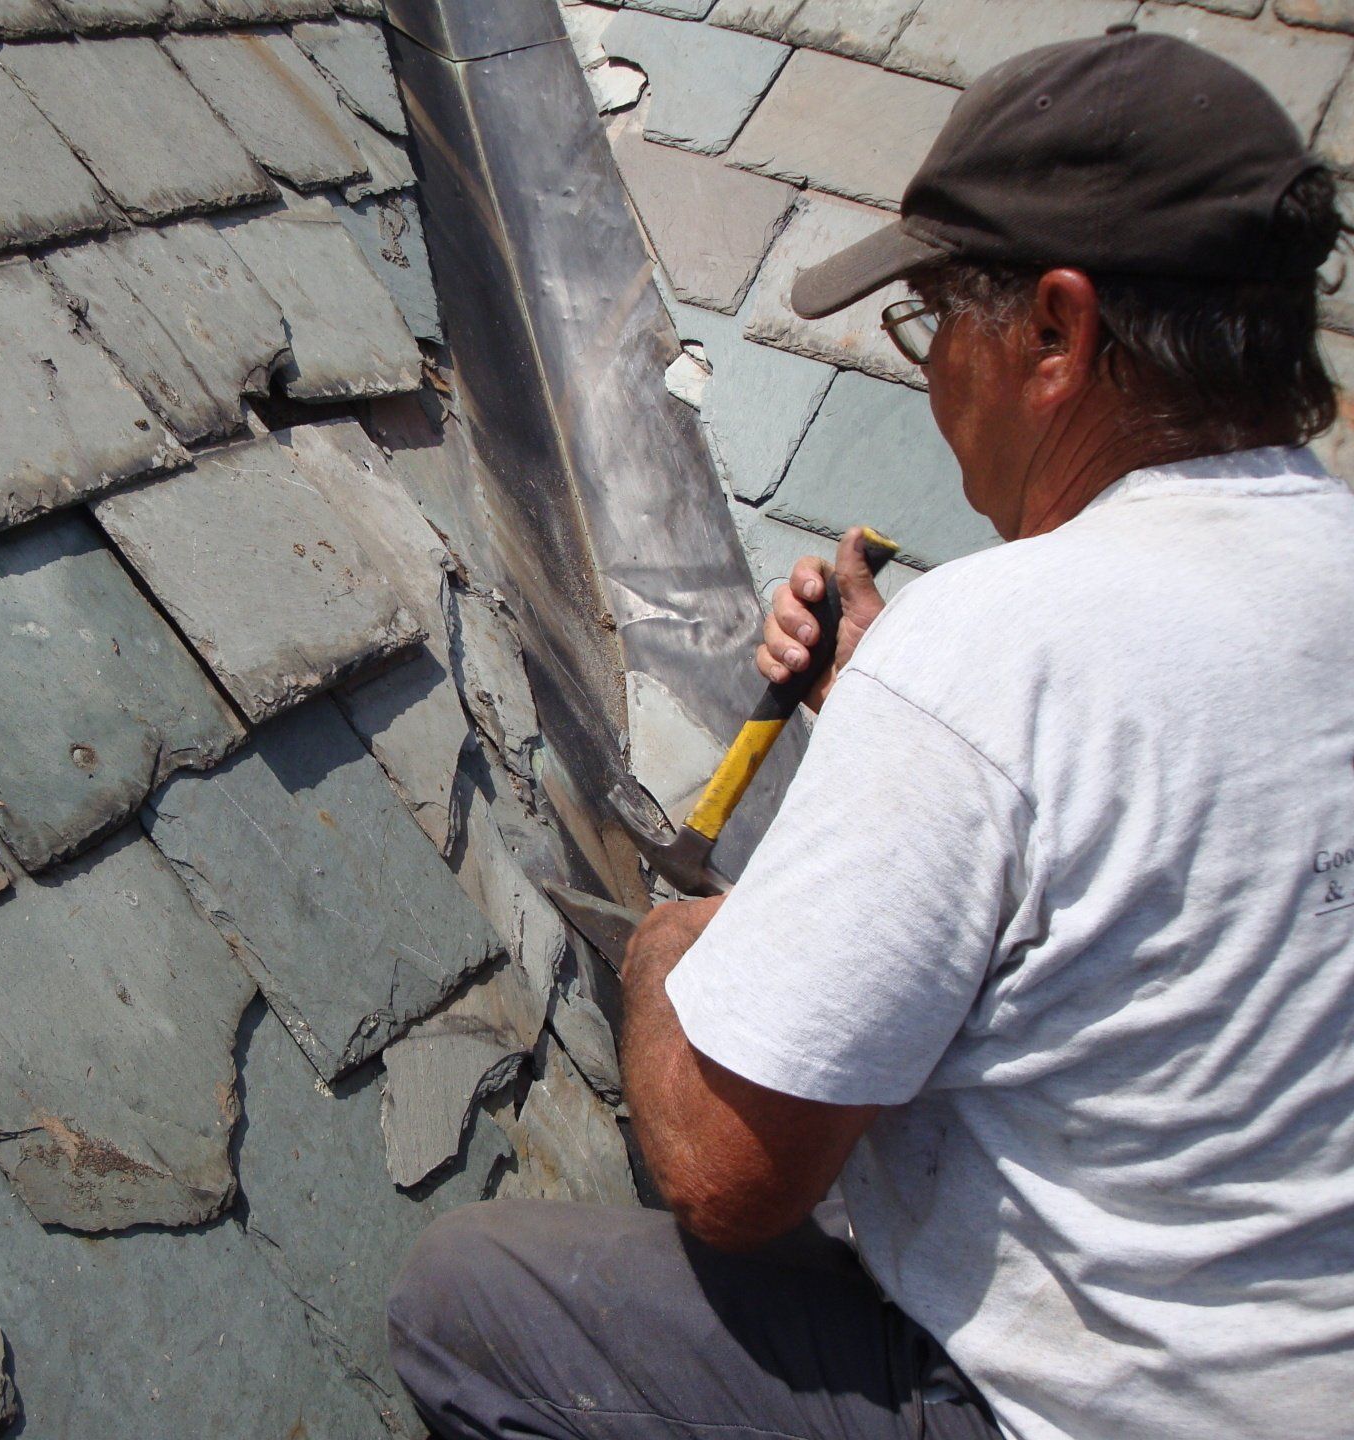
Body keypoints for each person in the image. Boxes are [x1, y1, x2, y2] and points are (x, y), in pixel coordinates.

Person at [387, 28, 1354, 1440]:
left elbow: (728, 1173)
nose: (924, 370)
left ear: (1056, 330)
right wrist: (884, 695)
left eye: (933, 321)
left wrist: (667, 959)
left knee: (469, 1301)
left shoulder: (996, 652)